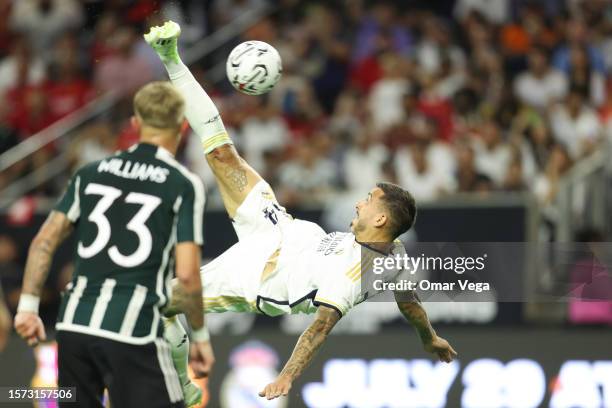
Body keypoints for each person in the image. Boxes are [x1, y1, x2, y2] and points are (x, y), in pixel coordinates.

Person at [146, 21, 457, 402]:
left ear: (380, 219)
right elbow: (409, 303)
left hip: (259, 278)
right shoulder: (396, 255)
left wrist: (286, 377)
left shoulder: (355, 273)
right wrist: (431, 338)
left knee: (159, 303)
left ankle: (183, 387)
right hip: (282, 230)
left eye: (369, 199)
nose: (360, 201)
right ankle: (171, 58)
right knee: (222, 151)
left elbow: (320, 328)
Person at [13, 81, 213, 408]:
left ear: (135, 124)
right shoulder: (183, 183)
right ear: (183, 125)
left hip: (73, 325)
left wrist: (28, 308)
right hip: (133, 329)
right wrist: (201, 337)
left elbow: (44, 241)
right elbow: (188, 276)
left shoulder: (89, 173)